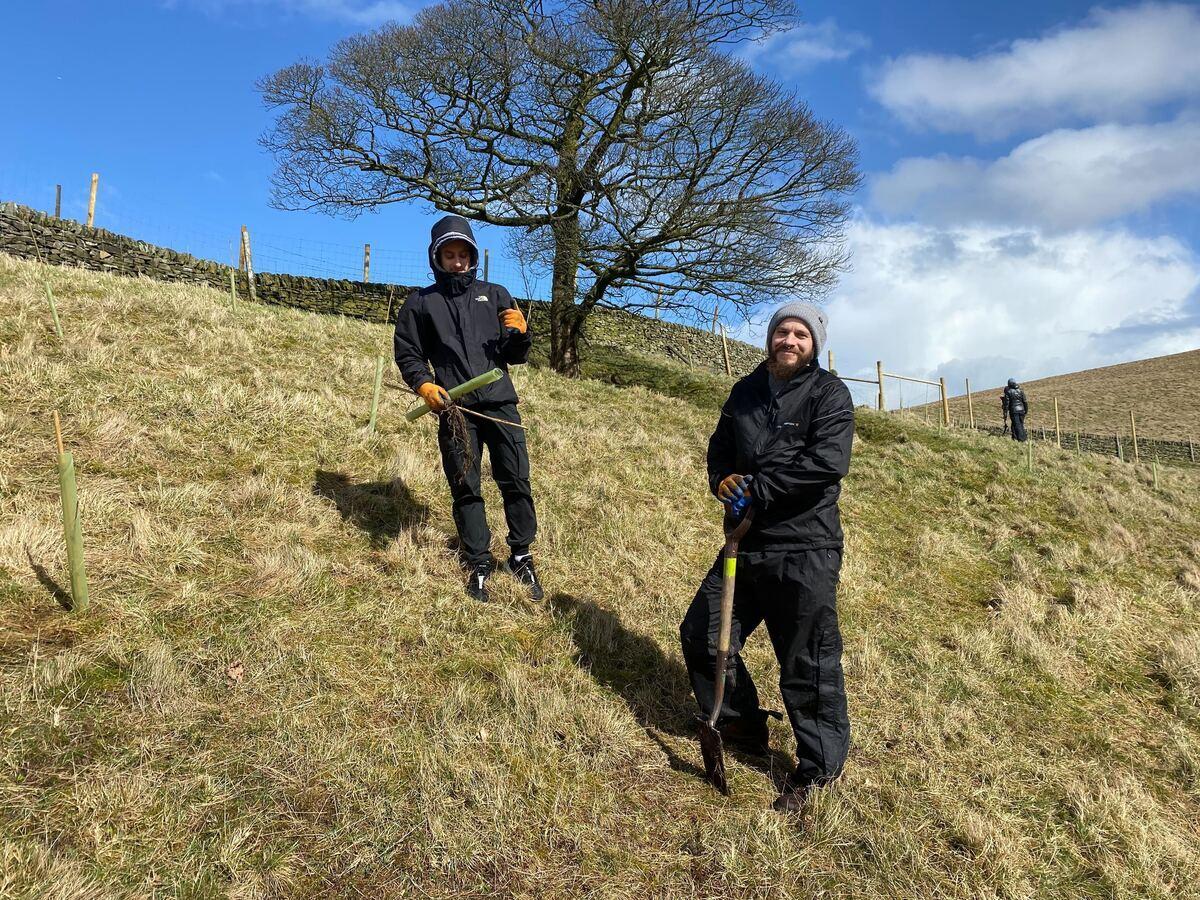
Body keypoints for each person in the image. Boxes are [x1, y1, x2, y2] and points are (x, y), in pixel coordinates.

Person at [680, 301, 854, 814]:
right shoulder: (746, 391)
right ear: (771, 338)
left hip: (805, 547)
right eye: (783, 331)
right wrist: (722, 481)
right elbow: (720, 450)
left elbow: (828, 463)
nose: (790, 341)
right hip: (747, 541)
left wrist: (758, 489)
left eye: (801, 334)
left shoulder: (829, 394)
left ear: (814, 345)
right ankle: (739, 723)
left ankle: (818, 770)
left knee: (807, 660)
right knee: (703, 633)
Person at [393, 214, 542, 603]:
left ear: (472, 256)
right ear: (437, 258)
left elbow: (515, 355)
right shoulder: (421, 304)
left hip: (501, 405)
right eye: (449, 255)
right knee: (465, 484)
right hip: (455, 411)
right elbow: (408, 353)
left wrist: (521, 335)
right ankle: (478, 561)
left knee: (516, 479)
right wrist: (424, 384)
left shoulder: (496, 294)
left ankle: (521, 555)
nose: (457, 262)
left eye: (463, 254)